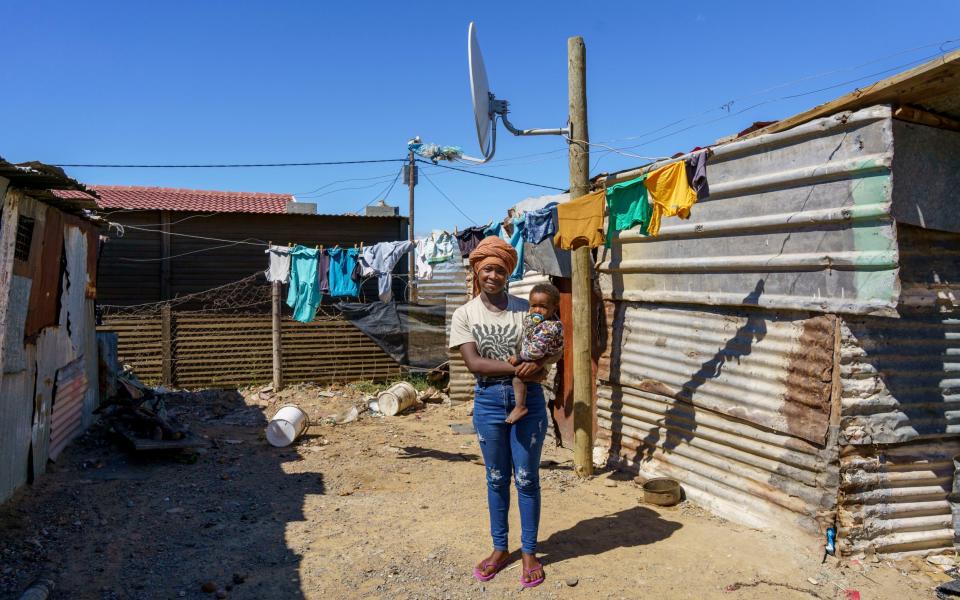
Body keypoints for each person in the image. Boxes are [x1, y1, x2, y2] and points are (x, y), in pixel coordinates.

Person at [449, 236, 549, 589]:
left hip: (530, 401)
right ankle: (500, 548)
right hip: (489, 401)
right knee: (495, 478)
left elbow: (547, 353)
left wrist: (539, 370)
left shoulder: (527, 309)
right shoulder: (465, 314)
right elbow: (474, 362)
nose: (493, 275)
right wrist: (519, 367)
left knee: (526, 478)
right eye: (487, 268)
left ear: (508, 273)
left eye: (500, 269)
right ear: (477, 270)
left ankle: (530, 552)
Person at [505, 283, 564, 425]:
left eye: (543, 307)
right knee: (522, 377)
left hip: (538, 358)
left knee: (518, 377)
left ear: (554, 308)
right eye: (533, 306)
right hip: (536, 357)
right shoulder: (539, 321)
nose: (537, 310)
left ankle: (520, 406)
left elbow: (535, 351)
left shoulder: (549, 327)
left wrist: (518, 357)